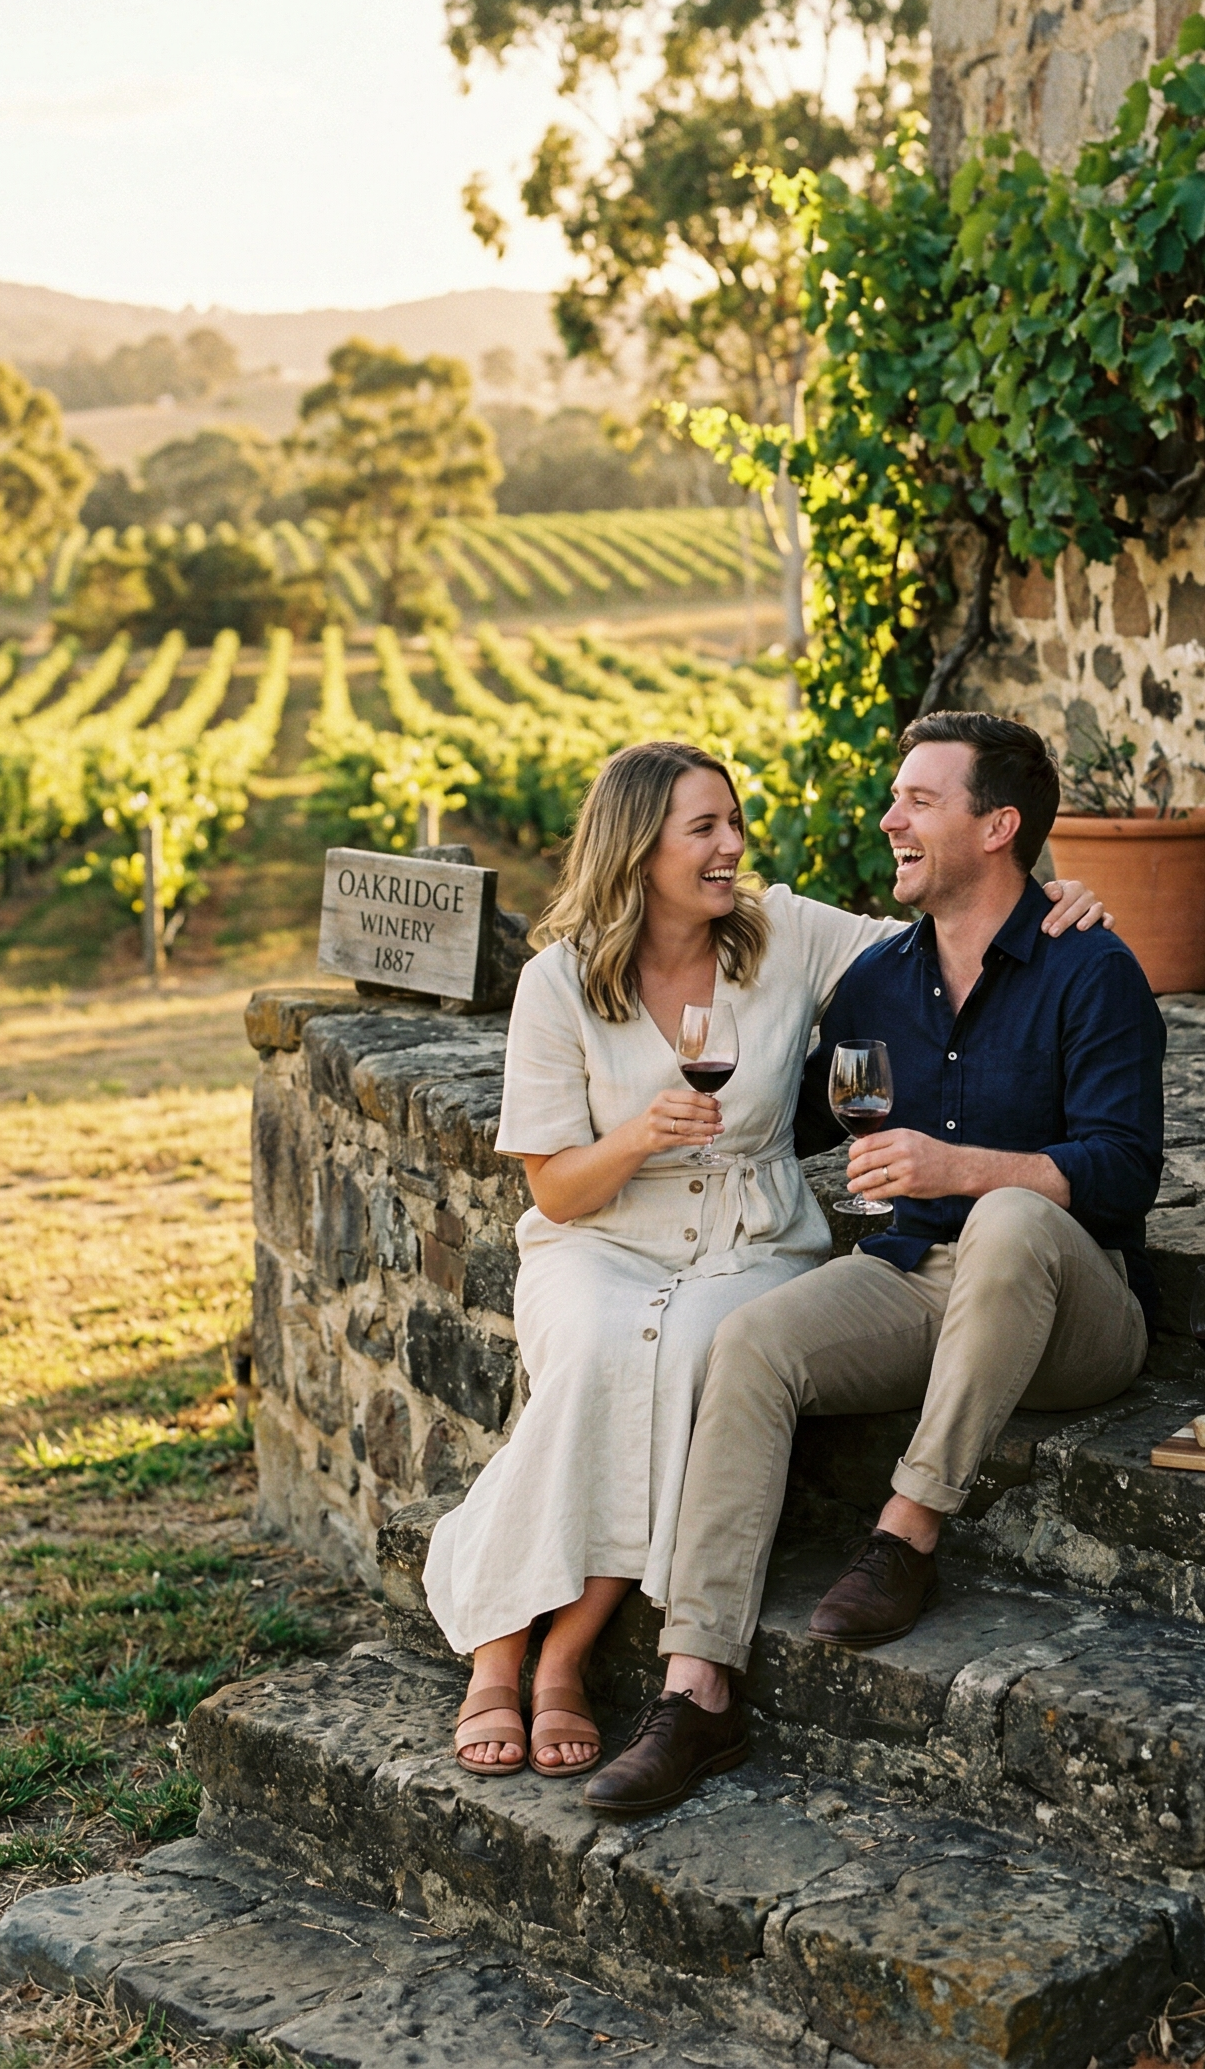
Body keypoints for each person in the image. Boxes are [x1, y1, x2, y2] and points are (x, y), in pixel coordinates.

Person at [422, 736, 1109, 1776]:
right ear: (638, 848)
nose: (732, 848)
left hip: (750, 1239)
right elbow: (555, 1189)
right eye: (705, 829)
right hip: (600, 1237)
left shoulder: (782, 933)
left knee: (699, 1349)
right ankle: (503, 1649)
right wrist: (638, 1136)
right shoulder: (558, 984)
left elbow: (948, 926)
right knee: (605, 1348)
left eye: (734, 823)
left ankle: (560, 1651)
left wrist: (1062, 899)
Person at [583, 711, 1164, 1816]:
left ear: (998, 827)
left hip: (1073, 1305)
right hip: (915, 1281)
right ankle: (696, 1690)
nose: (889, 818)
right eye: (894, 797)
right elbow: (793, 1116)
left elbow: (1124, 1170)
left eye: (918, 801)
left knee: (1001, 1216)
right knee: (752, 1343)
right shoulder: (878, 981)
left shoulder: (1091, 969)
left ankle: (905, 1532)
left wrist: (960, 1166)